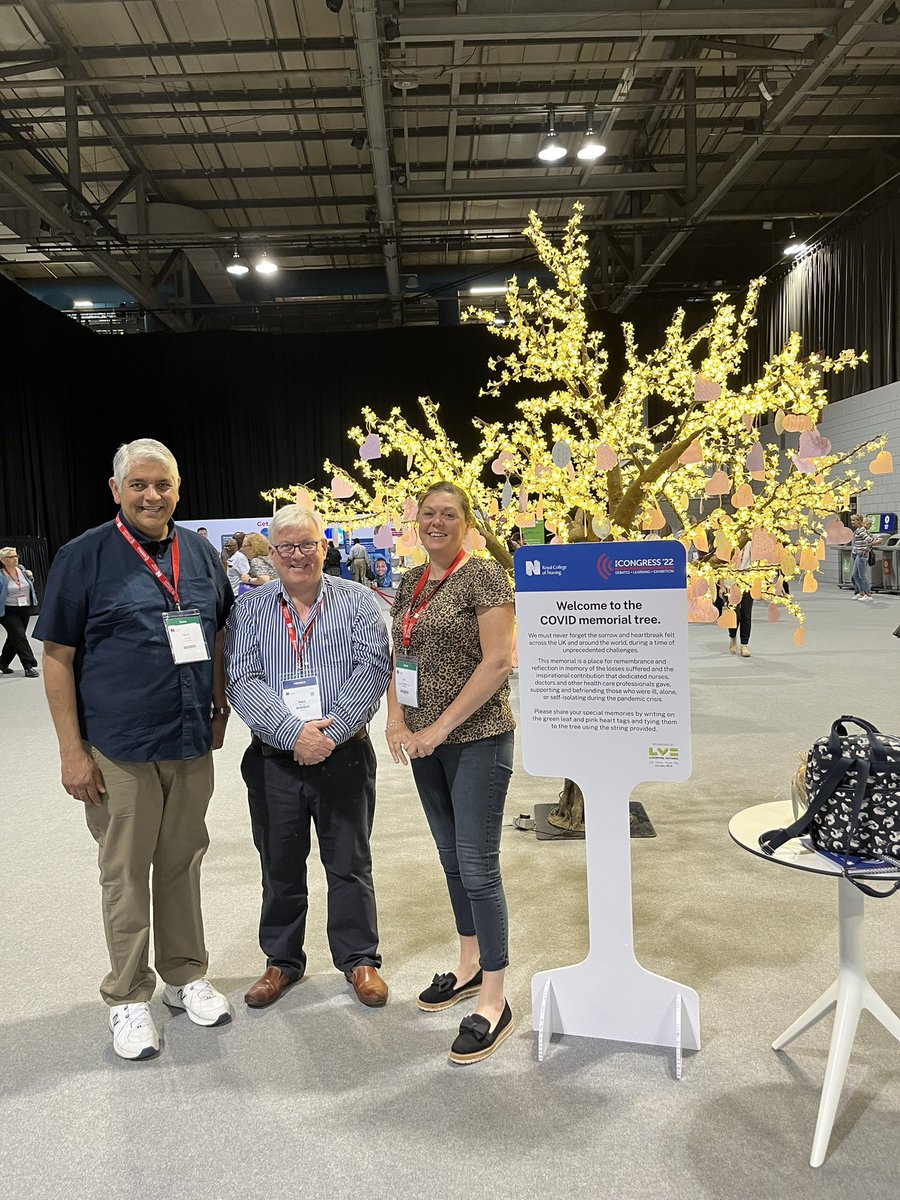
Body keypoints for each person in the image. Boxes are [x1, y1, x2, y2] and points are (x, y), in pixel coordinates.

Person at [35, 438, 234, 1061]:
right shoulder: (83, 557)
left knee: (182, 860)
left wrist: (220, 704)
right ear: (116, 489)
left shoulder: (201, 554)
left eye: (164, 486)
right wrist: (72, 751)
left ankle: (183, 976)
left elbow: (218, 631)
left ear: (178, 490)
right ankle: (126, 996)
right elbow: (57, 658)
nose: (153, 496)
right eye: (140, 485)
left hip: (187, 739)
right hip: (117, 746)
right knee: (125, 870)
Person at [225, 505, 392, 1011]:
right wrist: (293, 732)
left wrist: (330, 732)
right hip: (275, 759)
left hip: (344, 757)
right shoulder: (248, 610)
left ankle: (359, 959)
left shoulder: (358, 601)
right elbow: (241, 679)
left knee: (350, 864)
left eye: (307, 544)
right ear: (270, 554)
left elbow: (373, 670)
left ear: (324, 547)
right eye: (286, 547)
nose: (297, 555)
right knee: (279, 865)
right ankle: (281, 962)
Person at [385, 482, 516, 1064]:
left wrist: (439, 728)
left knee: (478, 866)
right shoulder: (412, 584)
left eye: (449, 515)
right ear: (416, 522)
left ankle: (494, 997)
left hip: (477, 739)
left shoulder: (484, 575)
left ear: (466, 523)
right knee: (449, 859)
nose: (436, 522)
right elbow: (398, 658)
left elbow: (497, 661)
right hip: (422, 744)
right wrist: (395, 720)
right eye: (428, 514)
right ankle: (467, 963)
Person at [0, 546, 39, 677]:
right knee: (19, 635)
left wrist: (31, 577)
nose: (15, 559)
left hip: (24, 608)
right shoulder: (0, 574)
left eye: (16, 556)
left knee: (14, 637)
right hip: (7, 610)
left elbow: (28, 585)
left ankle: (2, 663)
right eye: (11, 557)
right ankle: (28, 665)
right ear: (3, 560)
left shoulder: (22, 570)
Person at [850, 513, 875, 599]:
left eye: (854, 520)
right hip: (858, 554)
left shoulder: (861, 531)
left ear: (859, 521)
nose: (852, 522)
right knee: (855, 575)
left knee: (862, 575)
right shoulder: (858, 530)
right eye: (851, 520)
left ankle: (868, 594)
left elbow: (869, 540)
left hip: (861, 555)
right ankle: (861, 593)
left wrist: (866, 549)